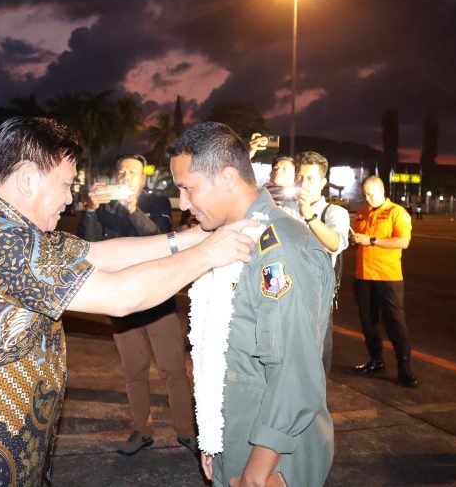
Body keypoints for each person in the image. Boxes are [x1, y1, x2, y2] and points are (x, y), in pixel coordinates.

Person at [0, 117, 257, 486]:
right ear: (27, 179)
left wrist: (192, 239)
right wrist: (208, 253)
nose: (70, 198)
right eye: (66, 184)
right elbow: (122, 296)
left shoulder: (1, 223)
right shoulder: (1, 240)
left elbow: (97, 254)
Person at [169, 122, 334, 487]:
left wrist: (256, 475)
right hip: (236, 438)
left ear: (227, 178)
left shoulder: (280, 252)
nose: (183, 203)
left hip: (273, 457)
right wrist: (213, 438)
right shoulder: (228, 238)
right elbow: (220, 353)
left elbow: (295, 375)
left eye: (187, 188)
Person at [78, 154, 197, 456]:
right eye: (121, 172)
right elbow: (88, 248)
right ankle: (142, 429)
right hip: (121, 302)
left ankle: (187, 431)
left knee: (173, 370)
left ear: (143, 179)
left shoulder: (156, 202)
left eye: (132, 172)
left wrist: (132, 208)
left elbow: (161, 239)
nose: (125, 177)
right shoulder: (103, 206)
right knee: (134, 372)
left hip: (158, 299)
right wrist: (90, 210)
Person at [350, 176, 418, 388]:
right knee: (368, 323)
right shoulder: (361, 214)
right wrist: (355, 240)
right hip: (363, 276)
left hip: (388, 277)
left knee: (395, 323)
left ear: (382, 190)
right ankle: (376, 360)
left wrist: (371, 240)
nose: (368, 198)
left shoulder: (396, 212)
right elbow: (358, 241)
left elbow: (403, 241)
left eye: (371, 194)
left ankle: (404, 368)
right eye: (365, 194)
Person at [293, 151, 350, 375]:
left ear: (323, 183)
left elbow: (335, 243)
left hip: (316, 299)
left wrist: (308, 215)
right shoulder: (286, 208)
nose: (303, 183)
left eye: (310, 178)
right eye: (300, 177)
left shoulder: (334, 212)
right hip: (285, 293)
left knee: (315, 362)